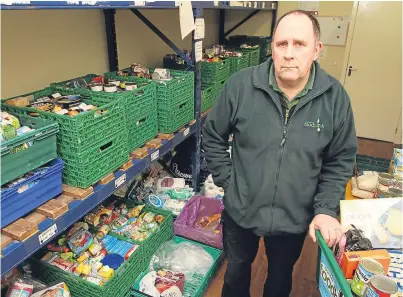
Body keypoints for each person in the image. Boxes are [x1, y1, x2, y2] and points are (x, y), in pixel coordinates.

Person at [202, 9, 358, 297]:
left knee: (279, 280)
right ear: (271, 48)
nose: (289, 53)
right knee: (235, 276)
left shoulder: (335, 98)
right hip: (241, 210)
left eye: (299, 44)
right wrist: (229, 180)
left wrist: (325, 209)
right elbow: (212, 134)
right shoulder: (240, 86)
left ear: (316, 50)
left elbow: (340, 160)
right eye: (281, 44)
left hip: (293, 217)